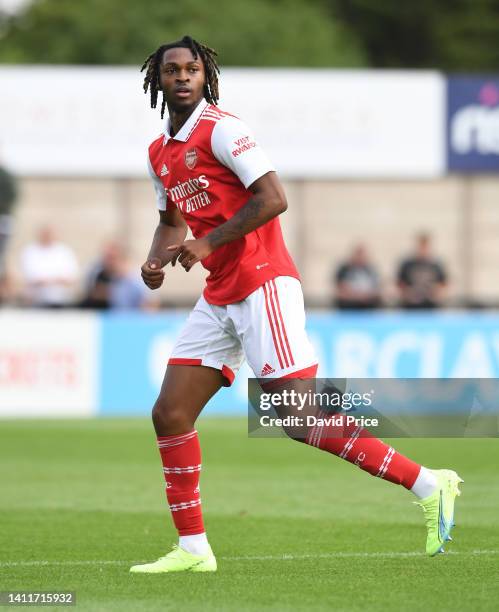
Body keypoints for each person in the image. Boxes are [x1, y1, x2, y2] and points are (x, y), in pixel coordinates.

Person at [130, 36, 462, 574]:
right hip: (221, 293)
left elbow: (273, 198)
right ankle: (194, 550)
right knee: (169, 413)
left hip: (264, 285)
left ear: (205, 75)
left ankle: (429, 483)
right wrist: (154, 261)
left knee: (297, 417)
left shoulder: (225, 129)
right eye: (173, 71)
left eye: (192, 68)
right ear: (158, 80)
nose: (183, 77)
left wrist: (208, 243)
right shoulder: (157, 153)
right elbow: (171, 221)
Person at [20, 226, 79, 308]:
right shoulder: (30, 251)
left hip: (62, 300)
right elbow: (31, 277)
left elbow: (71, 277)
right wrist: (56, 280)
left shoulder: (64, 251)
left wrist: (47, 280)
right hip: (37, 301)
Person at [397, 233, 448, 309]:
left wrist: (436, 293)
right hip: (410, 306)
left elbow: (443, 284)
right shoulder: (408, 264)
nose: (423, 250)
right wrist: (408, 294)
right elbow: (400, 284)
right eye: (421, 246)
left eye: (425, 247)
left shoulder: (436, 265)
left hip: (431, 306)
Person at [334, 244, 381, 309]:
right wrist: (357, 296)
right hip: (348, 307)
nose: (360, 258)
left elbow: (377, 289)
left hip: (368, 308)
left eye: (362, 255)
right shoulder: (344, 270)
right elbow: (340, 290)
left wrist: (366, 296)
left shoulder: (371, 270)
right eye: (358, 255)